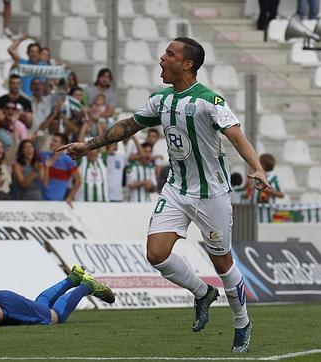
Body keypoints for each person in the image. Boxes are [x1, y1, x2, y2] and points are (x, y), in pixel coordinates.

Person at [56, 37, 271, 353]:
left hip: (211, 194)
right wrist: (88, 145)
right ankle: (202, 293)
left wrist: (258, 168)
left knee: (223, 262)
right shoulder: (162, 100)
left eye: (169, 54)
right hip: (176, 189)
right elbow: (128, 126)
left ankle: (241, 322)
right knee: (156, 253)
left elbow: (236, 136)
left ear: (187, 64)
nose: (161, 58)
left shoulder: (209, 101)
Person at [41, 133, 81, 204]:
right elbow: (44, 184)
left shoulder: (68, 161)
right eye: (52, 140)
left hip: (58, 202)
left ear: (62, 145)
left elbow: (78, 180)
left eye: (55, 141)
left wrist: (70, 197)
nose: (51, 143)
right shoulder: (44, 156)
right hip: (40, 200)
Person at [253, 154, 284, 222]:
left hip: (268, 212)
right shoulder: (258, 175)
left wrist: (269, 191)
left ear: (263, 164)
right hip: (256, 210)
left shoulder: (275, 178)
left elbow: (281, 194)